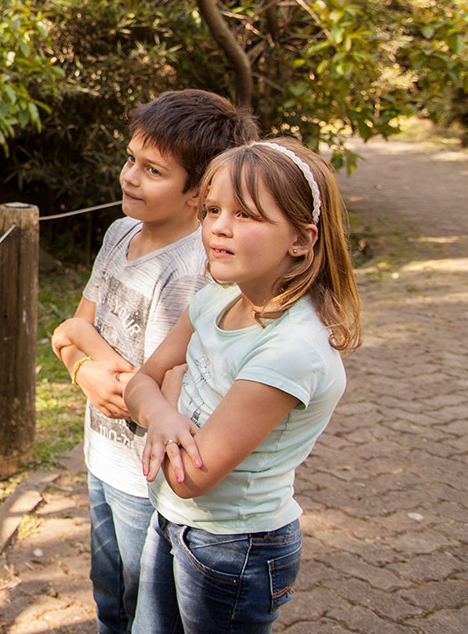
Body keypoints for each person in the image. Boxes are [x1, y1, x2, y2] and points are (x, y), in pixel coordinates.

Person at [124, 139, 362, 634]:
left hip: (234, 549)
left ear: (301, 239)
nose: (219, 228)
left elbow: (191, 477)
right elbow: (144, 379)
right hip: (171, 520)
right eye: (212, 210)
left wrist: (164, 397)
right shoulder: (219, 296)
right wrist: (166, 413)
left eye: (247, 215)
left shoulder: (290, 349)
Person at [51, 90, 258, 634]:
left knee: (145, 611)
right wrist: (83, 366)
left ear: (199, 192)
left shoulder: (198, 270)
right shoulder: (119, 235)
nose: (130, 177)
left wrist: (81, 347)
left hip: (148, 479)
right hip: (100, 455)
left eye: (153, 170)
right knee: (109, 596)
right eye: (130, 160)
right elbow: (74, 329)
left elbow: (157, 398)